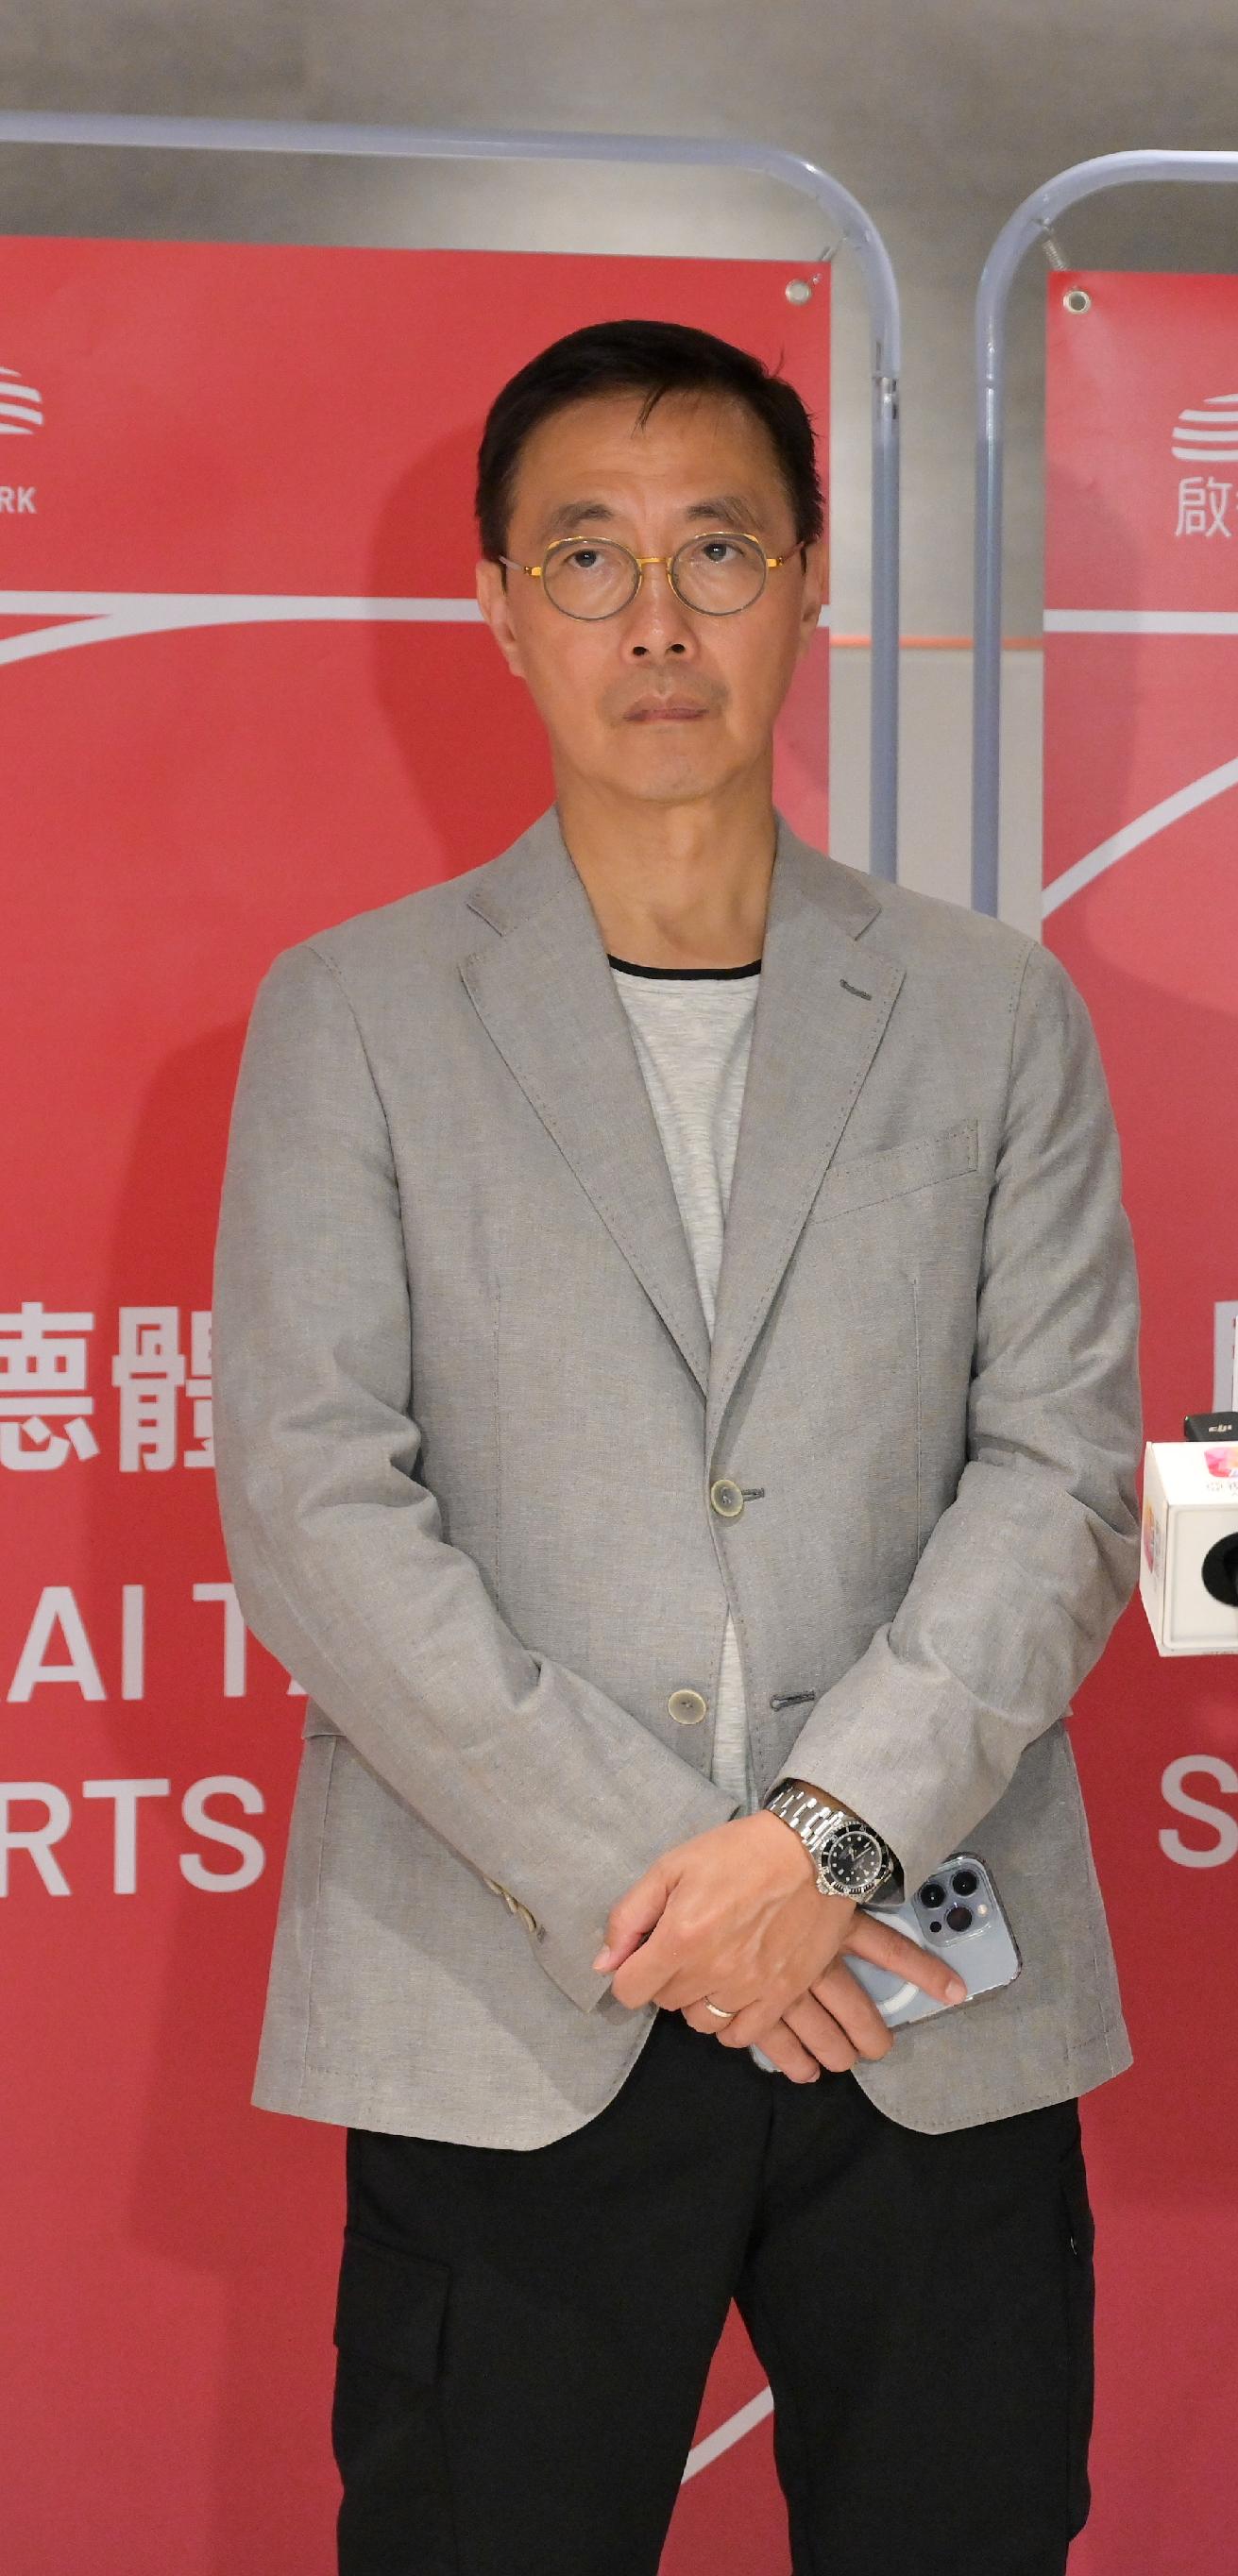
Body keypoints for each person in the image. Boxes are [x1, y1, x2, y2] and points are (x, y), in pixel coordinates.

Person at [213, 319, 1143, 2574]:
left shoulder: (984, 1004)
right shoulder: (354, 1011)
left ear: (809, 580)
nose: (657, 621)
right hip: (513, 1986)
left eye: (717, 548)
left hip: (923, 1979)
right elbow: (318, 1502)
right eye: (589, 556)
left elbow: (1062, 1469)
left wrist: (817, 1841)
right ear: (497, 604)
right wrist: (687, 1894)